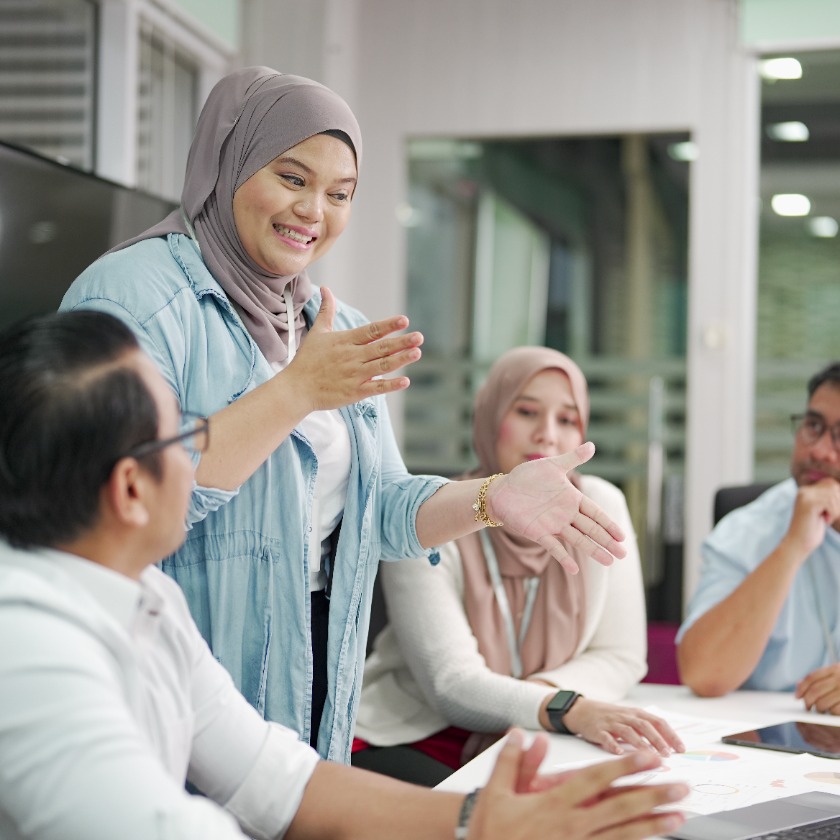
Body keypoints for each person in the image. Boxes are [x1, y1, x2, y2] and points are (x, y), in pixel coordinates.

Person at [59, 66, 628, 762]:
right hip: (176, 657)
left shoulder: (324, 321)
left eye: (339, 193)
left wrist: (490, 498)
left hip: (319, 651)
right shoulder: (134, 295)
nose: (313, 211)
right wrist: (296, 391)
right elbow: (121, 500)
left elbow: (383, 509)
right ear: (225, 164)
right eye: (292, 179)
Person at [0, 310, 689, 840]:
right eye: (186, 437)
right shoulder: (29, 649)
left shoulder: (147, 594)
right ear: (129, 490)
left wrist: (477, 821)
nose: (203, 458)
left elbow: (276, 779)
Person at [353, 347, 684, 785]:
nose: (547, 435)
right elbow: (451, 684)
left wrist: (533, 710)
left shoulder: (601, 505)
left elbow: (620, 656)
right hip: (414, 735)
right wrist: (565, 708)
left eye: (567, 420)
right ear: (489, 418)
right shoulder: (429, 515)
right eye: (527, 412)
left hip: (544, 730)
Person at [677, 362, 840, 711]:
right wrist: (793, 546)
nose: (820, 451)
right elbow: (703, 673)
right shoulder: (747, 530)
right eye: (814, 426)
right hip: (767, 747)